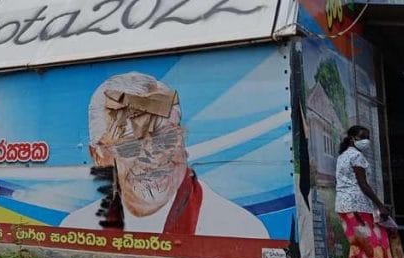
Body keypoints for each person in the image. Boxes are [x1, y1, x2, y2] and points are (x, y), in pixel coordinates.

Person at [60, 73, 268, 237]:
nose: (153, 156)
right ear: (98, 155)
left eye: (166, 137)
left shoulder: (237, 230)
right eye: (132, 143)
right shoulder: (79, 228)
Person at [335, 125, 395, 258]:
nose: (366, 141)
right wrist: (380, 205)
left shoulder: (342, 156)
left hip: (343, 205)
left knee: (357, 243)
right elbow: (363, 184)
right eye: (363, 137)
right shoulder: (357, 156)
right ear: (353, 137)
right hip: (357, 206)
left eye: (367, 137)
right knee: (377, 240)